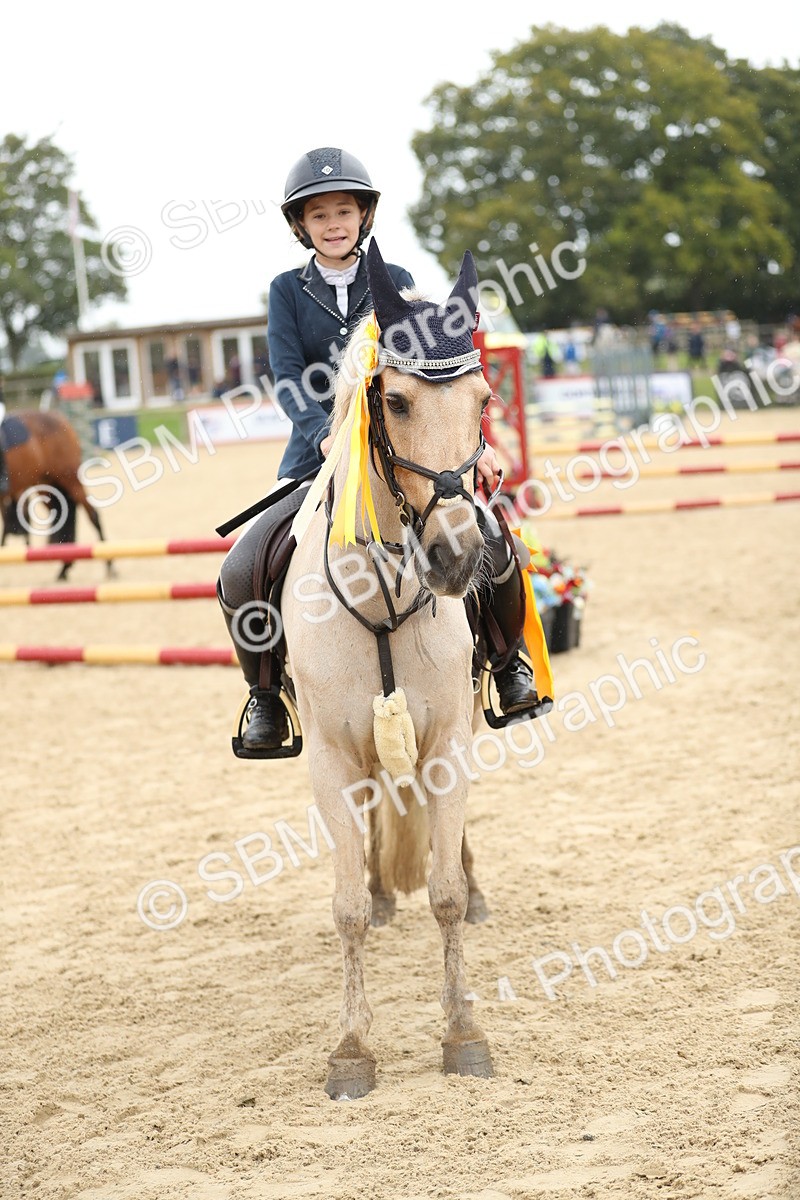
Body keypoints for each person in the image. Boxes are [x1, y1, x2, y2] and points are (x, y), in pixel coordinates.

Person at [217, 147, 544, 754]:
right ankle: (264, 697)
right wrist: (322, 432)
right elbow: (287, 377)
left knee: (496, 542)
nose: (333, 224)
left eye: (344, 211)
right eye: (319, 215)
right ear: (301, 226)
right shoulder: (287, 290)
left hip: (405, 456)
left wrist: (477, 447)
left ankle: (508, 666)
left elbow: (441, 376)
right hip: (316, 460)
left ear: (364, 216)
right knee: (243, 566)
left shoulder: (396, 279)